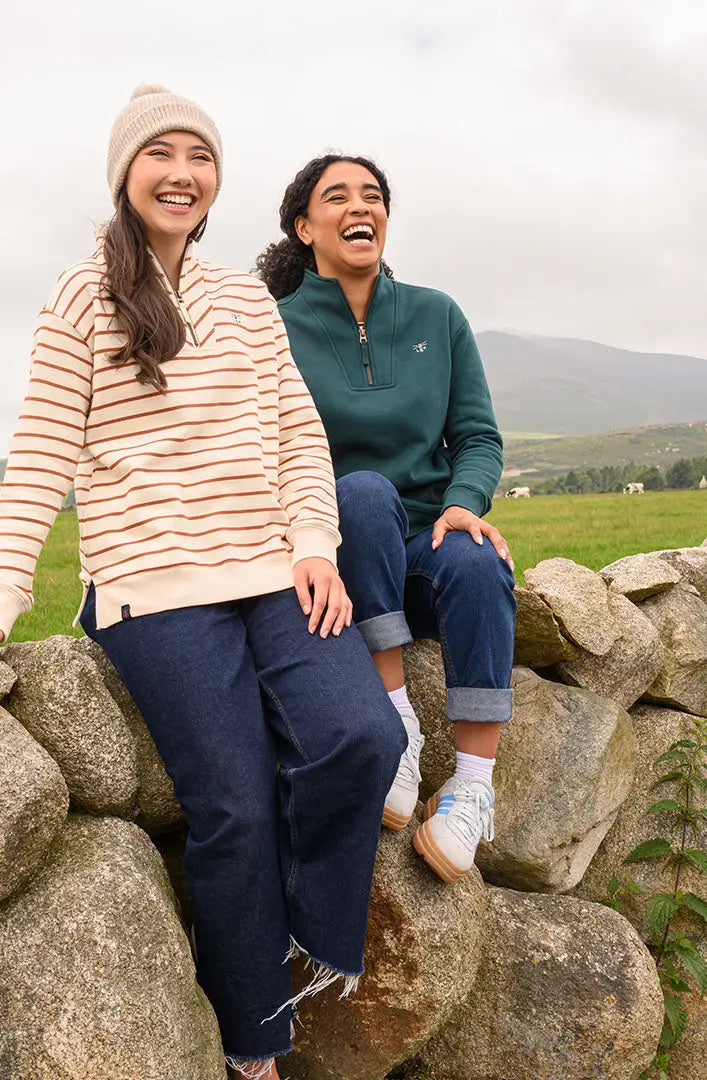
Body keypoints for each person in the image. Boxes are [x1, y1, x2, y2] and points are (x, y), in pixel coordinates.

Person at [0, 90, 406, 1080]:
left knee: (363, 736)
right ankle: (254, 1049)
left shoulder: (247, 298)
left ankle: (295, 943)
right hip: (151, 586)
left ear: (217, 179)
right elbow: (42, 451)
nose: (183, 171)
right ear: (125, 173)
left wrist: (311, 543)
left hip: (273, 568)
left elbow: (300, 434)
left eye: (200, 156)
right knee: (235, 811)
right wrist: (0, 603)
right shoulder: (82, 294)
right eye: (160, 154)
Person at [256, 154, 517, 885]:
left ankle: (471, 786)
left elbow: (477, 437)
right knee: (364, 492)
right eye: (336, 197)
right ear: (305, 227)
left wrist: (466, 502)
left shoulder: (437, 315)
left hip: (425, 547)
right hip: (334, 554)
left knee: (477, 558)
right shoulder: (270, 329)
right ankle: (395, 725)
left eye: (371, 196)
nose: (357, 207)